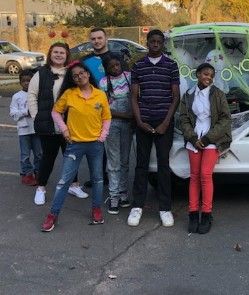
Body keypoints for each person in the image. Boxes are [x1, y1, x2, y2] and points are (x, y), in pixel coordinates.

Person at [41, 61, 111, 232]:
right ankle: (53, 214)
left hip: (95, 144)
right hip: (74, 145)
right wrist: (64, 130)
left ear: (87, 73)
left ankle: (96, 209)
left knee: (98, 179)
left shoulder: (100, 95)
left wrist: (103, 135)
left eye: (81, 73)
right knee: (64, 181)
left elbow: (107, 117)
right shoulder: (69, 94)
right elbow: (55, 112)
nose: (79, 77)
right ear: (72, 80)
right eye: (75, 76)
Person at [127, 29, 180, 227]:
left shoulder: (171, 65)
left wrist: (166, 122)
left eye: (159, 41)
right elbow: (133, 96)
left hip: (164, 122)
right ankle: (137, 206)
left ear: (163, 44)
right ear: (147, 42)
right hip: (143, 121)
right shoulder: (138, 65)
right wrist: (139, 121)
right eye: (152, 41)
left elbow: (175, 96)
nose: (155, 44)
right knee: (141, 164)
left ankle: (165, 208)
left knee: (163, 165)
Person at [28, 42, 88, 205]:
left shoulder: (71, 73)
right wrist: (36, 117)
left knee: (71, 156)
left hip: (69, 123)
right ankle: (41, 188)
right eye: (56, 52)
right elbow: (32, 96)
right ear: (50, 53)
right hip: (48, 124)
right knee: (48, 157)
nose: (59, 55)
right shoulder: (41, 73)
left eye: (62, 52)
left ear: (67, 55)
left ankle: (73, 185)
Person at [179, 63, 232, 234]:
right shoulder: (188, 95)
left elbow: (225, 119)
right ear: (197, 74)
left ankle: (207, 214)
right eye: (205, 74)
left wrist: (208, 138)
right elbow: (184, 118)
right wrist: (193, 137)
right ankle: (193, 214)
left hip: (211, 139)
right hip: (194, 139)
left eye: (211, 75)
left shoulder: (218, 94)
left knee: (205, 175)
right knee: (194, 176)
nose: (208, 77)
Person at [99, 53, 133, 214]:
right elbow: (104, 109)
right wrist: (125, 115)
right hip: (112, 124)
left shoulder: (129, 77)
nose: (115, 68)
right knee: (114, 161)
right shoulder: (104, 82)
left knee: (125, 160)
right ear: (106, 69)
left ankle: (123, 193)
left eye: (117, 65)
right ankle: (113, 196)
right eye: (111, 66)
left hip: (128, 125)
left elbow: (134, 98)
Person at [10, 70, 42, 186]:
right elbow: (13, 113)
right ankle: (27, 174)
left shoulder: (37, 95)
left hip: (37, 129)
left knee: (39, 153)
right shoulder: (16, 96)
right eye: (24, 81)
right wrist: (25, 112)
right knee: (25, 154)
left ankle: (39, 173)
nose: (26, 83)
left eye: (29, 80)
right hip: (24, 131)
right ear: (20, 82)